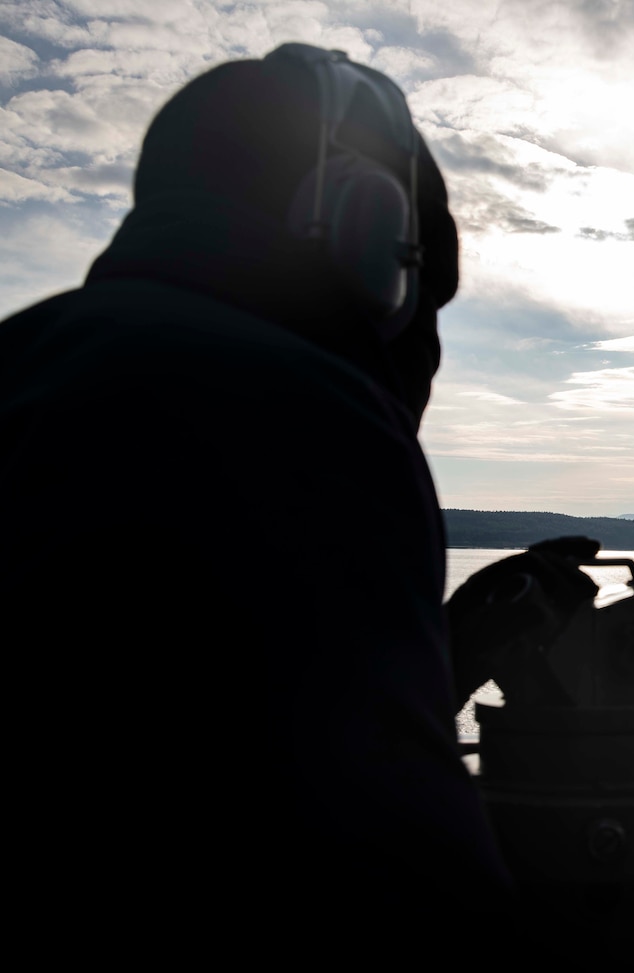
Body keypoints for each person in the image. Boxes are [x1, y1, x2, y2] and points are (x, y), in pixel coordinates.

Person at [0, 45, 510, 935]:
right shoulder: (306, 415)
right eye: (416, 279)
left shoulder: (27, 363)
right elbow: (408, 886)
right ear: (357, 224)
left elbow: (153, 720)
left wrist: (437, 666)